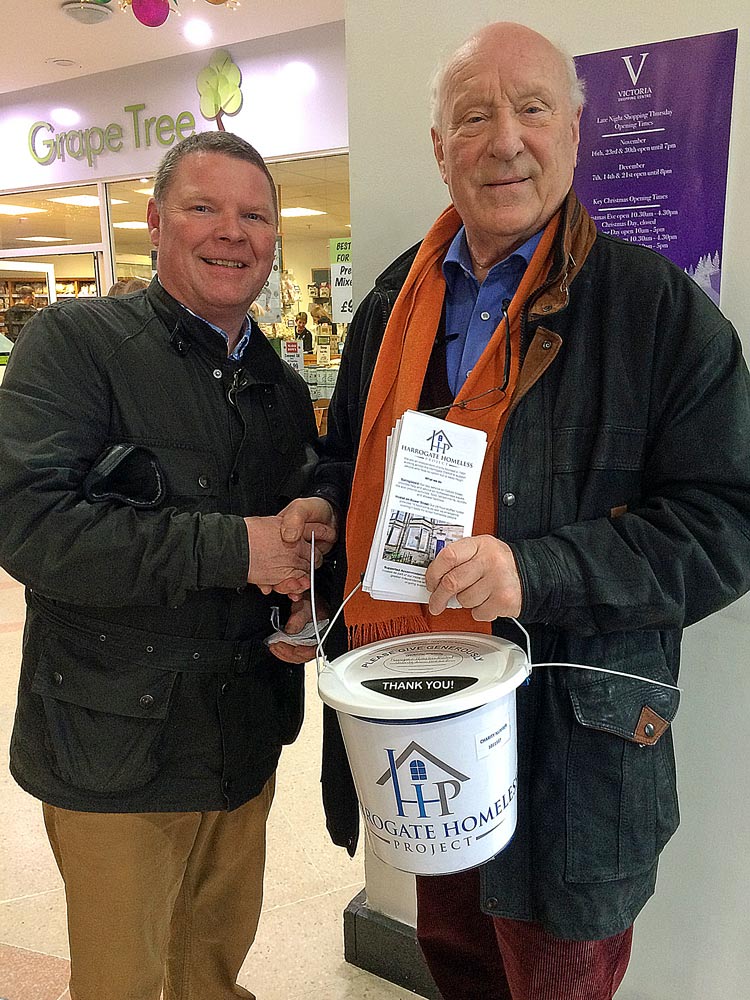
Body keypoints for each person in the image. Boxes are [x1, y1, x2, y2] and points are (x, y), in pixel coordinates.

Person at [278, 21, 750, 1000]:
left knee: (558, 978)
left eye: (532, 109)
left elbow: (726, 521)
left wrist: (536, 572)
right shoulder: (392, 304)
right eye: (474, 115)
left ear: (573, 136)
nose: (505, 139)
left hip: (574, 747)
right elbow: (342, 460)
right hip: (425, 722)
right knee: (455, 960)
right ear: (439, 148)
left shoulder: (655, 313)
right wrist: (322, 524)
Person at [0, 131, 334, 1000]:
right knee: (121, 983)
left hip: (240, 744)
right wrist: (239, 545)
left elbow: (289, 545)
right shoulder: (76, 346)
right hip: (113, 749)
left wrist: (300, 609)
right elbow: (30, 525)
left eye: (254, 215)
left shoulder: (279, 386)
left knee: (214, 972)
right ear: (154, 223)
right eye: (204, 208)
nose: (233, 232)